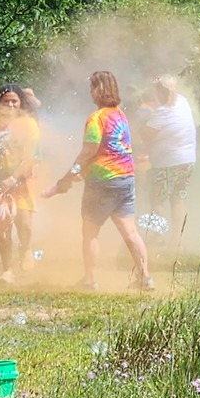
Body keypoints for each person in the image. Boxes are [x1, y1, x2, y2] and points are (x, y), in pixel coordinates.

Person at [48, 70, 153, 292]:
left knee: (90, 232)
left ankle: (90, 280)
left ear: (98, 90)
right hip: (126, 178)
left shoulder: (96, 118)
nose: (90, 93)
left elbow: (89, 151)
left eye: (92, 88)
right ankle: (145, 278)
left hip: (103, 181)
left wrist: (67, 177)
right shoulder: (120, 116)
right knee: (130, 232)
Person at [0, 84, 40, 284]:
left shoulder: (29, 124)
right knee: (2, 228)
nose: (11, 104)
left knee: (24, 223)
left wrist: (13, 178)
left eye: (15, 101)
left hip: (22, 181)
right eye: (6, 101)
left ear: (21, 103)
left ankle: (26, 248)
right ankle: (7, 270)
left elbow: (31, 157)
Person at [142, 75, 197, 246]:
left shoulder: (162, 112)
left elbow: (147, 135)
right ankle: (178, 240)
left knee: (157, 199)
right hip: (188, 160)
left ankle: (158, 237)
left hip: (167, 162)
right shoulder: (183, 102)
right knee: (178, 199)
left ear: (160, 91)